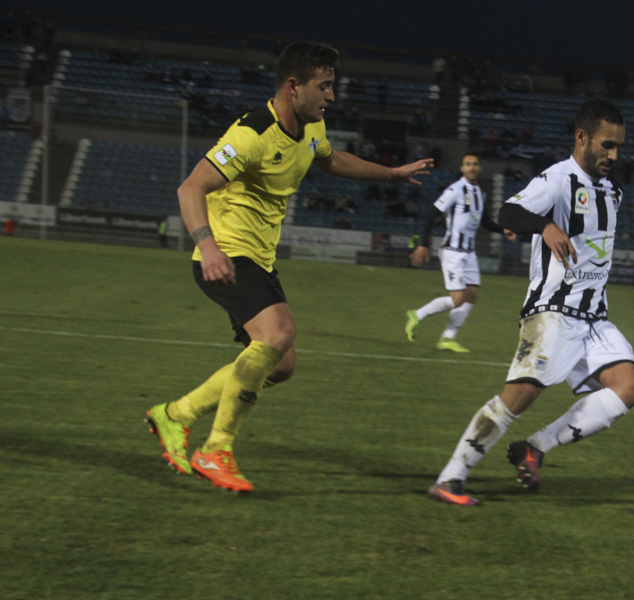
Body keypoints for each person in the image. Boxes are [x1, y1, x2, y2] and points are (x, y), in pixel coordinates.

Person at [144, 41, 434, 494]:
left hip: (259, 258)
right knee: (278, 333)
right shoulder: (251, 133)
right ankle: (216, 450)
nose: (332, 96)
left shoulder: (312, 127)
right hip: (226, 253)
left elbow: (331, 158)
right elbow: (190, 188)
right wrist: (210, 247)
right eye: (325, 86)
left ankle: (174, 414)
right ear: (293, 86)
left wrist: (390, 173)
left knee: (279, 365)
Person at [427, 99, 634, 506]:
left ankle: (535, 448)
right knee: (519, 396)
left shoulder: (612, 190)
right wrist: (544, 225)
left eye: (618, 147)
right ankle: (450, 478)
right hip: (553, 313)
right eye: (607, 145)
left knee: (629, 388)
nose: (614, 155)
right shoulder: (559, 179)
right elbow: (509, 213)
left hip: (594, 317)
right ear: (581, 138)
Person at [406, 153, 516, 352]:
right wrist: (423, 244)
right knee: (458, 299)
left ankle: (447, 338)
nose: (472, 168)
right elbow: (432, 213)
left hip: (469, 252)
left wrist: (503, 230)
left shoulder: (480, 193)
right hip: (452, 251)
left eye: (475, 164)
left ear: (480, 168)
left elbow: (483, 221)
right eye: (468, 164)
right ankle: (418, 314)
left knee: (471, 295)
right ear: (462, 168)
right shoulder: (455, 189)